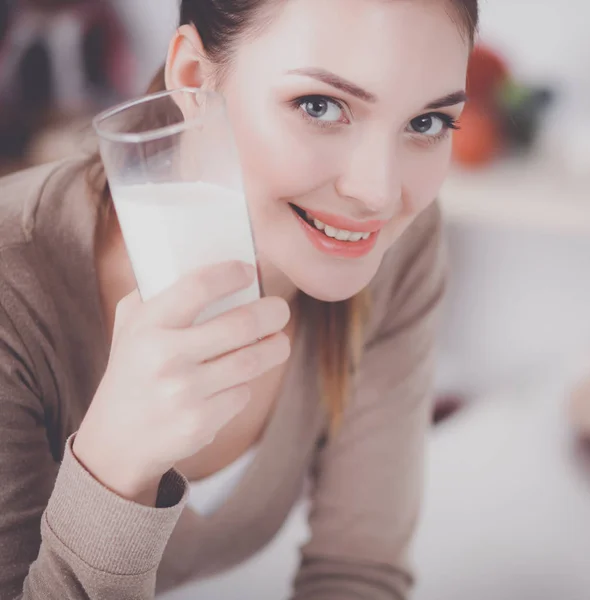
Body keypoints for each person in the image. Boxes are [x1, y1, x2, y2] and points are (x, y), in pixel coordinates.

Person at [0, 0, 477, 597]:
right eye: (320, 106)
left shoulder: (394, 250)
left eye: (427, 122)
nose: (378, 194)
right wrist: (113, 469)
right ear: (195, 80)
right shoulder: (12, 284)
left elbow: (357, 577)